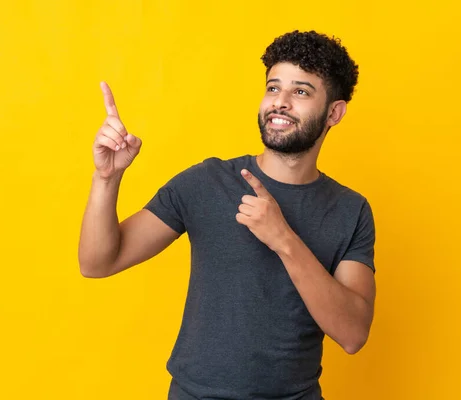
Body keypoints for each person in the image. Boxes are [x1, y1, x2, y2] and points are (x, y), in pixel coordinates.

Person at [78, 30, 376, 400]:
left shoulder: (351, 210)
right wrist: (107, 178)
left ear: (335, 112)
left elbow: (353, 334)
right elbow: (97, 263)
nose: (280, 102)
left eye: (300, 91)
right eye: (272, 88)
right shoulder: (206, 183)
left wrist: (283, 239)